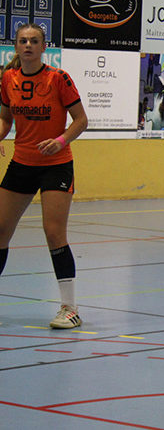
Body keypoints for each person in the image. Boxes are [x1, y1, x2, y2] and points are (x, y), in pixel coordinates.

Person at [0, 23, 89, 329]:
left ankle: (69, 308)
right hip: (22, 164)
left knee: (53, 233)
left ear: (43, 46)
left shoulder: (58, 78)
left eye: (34, 41)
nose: (28, 46)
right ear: (16, 47)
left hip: (56, 165)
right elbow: (4, 118)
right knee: (0, 230)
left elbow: (81, 120)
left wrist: (60, 141)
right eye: (23, 41)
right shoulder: (8, 78)